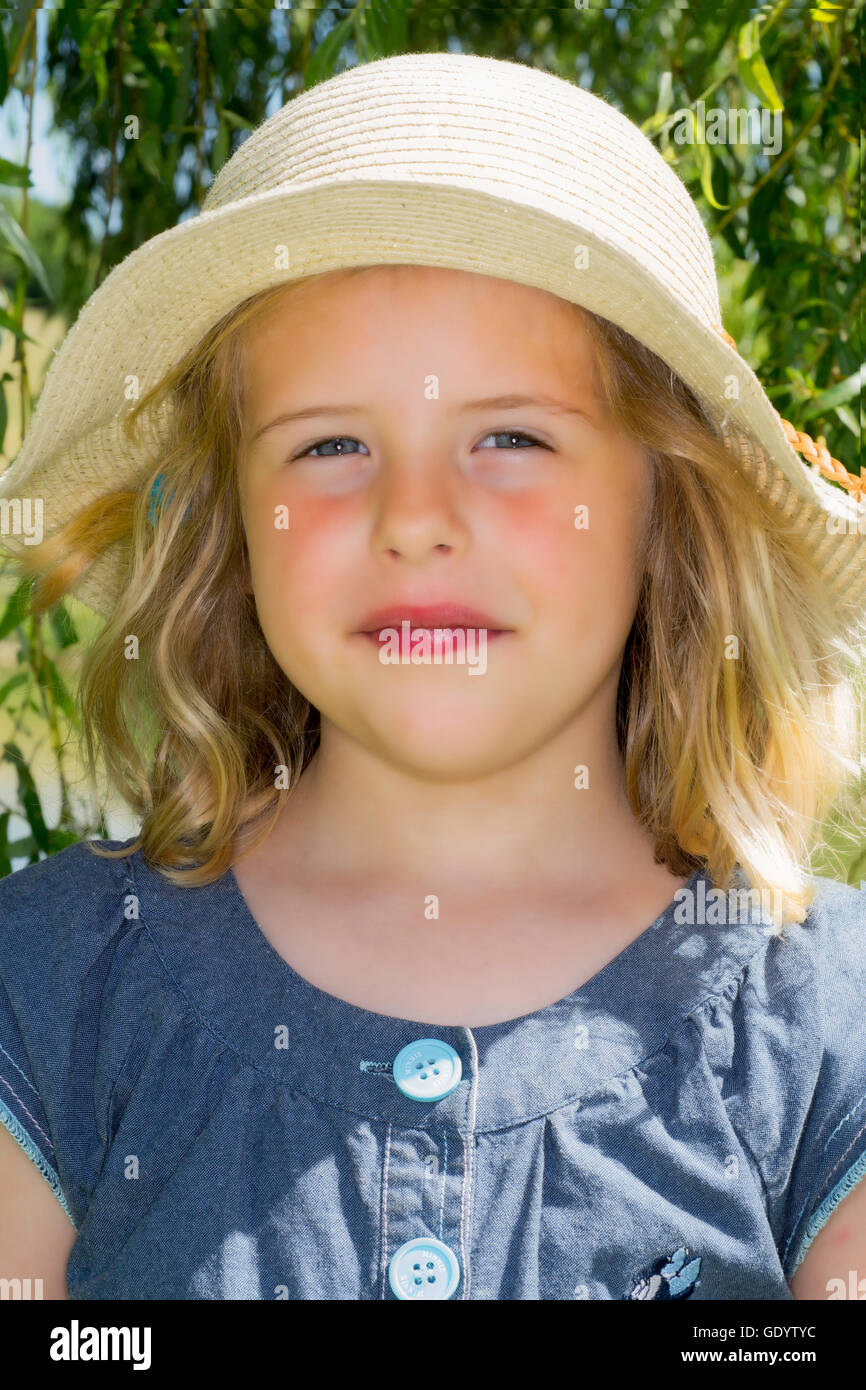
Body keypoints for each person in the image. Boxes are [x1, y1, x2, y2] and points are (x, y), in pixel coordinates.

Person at [0, 51, 864, 1302]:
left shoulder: (823, 1021)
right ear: (232, 520)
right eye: (330, 443)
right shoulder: (54, 983)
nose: (414, 517)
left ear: (668, 506)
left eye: (510, 436)